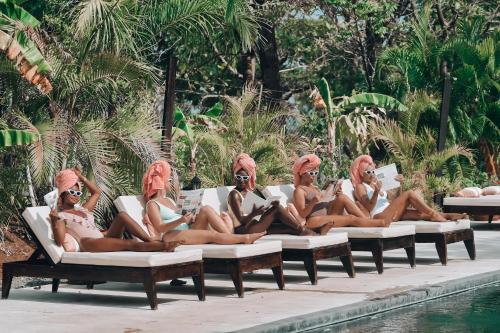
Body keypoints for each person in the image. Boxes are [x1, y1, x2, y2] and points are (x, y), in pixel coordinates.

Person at [48, 167, 179, 252]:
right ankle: (163, 246)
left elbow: (97, 193)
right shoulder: (61, 216)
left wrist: (81, 177)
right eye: (72, 191)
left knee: (122, 215)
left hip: (104, 238)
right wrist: (54, 222)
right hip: (90, 243)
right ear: (63, 192)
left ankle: (151, 241)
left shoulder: (83, 209)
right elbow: (59, 241)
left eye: (78, 193)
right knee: (129, 244)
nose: (75, 196)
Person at [144, 160, 265, 245]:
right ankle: (244, 238)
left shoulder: (169, 200)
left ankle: (231, 237)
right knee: (212, 235)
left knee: (205, 209)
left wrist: (190, 217)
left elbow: (181, 216)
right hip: (172, 235)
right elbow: (160, 228)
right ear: (162, 182)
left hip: (188, 228)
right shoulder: (152, 204)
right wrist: (181, 220)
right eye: (169, 179)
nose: (171, 182)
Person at [350, 155, 463, 222]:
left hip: (391, 212)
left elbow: (397, 200)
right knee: (409, 193)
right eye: (368, 172)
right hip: (380, 216)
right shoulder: (360, 187)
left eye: (373, 170)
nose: (372, 174)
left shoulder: (377, 183)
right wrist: (375, 192)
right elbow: (369, 207)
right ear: (361, 173)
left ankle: (449, 216)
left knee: (419, 214)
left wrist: (401, 185)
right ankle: (435, 214)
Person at [292, 154, 387, 234]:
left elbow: (322, 202)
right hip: (315, 220)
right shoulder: (299, 190)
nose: (314, 176)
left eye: (316, 173)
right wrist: (313, 201)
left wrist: (335, 193)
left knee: (342, 197)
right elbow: (302, 214)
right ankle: (379, 223)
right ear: (302, 173)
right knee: (351, 218)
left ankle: (367, 220)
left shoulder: (314, 187)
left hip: (328, 214)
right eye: (311, 173)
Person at [227, 153, 316, 236]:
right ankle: (302, 229)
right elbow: (241, 220)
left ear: (249, 178)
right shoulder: (234, 195)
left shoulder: (248, 192)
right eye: (238, 177)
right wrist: (255, 213)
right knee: (277, 208)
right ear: (235, 177)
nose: (241, 180)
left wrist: (267, 206)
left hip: (253, 223)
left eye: (245, 177)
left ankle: (310, 241)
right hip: (243, 230)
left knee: (289, 228)